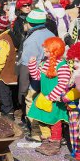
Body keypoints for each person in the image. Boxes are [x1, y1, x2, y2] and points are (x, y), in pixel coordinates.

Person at [27, 37, 70, 156]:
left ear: (53, 50)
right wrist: (32, 64)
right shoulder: (45, 63)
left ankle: (55, 144)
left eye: (46, 48)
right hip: (43, 97)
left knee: (55, 122)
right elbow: (36, 77)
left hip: (54, 100)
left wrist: (51, 97)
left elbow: (62, 84)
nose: (44, 50)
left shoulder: (62, 66)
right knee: (42, 120)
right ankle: (46, 140)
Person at [19, 9, 56, 142]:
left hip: (37, 75)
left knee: (32, 101)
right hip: (52, 74)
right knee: (48, 102)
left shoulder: (32, 39)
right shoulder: (51, 33)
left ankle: (36, 133)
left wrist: (23, 86)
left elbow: (26, 64)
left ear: (29, 23)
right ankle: (51, 132)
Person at [0, 16, 17, 120]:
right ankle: (12, 111)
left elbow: (0, 57)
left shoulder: (2, 40)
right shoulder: (11, 35)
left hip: (4, 73)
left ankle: (8, 115)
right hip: (13, 72)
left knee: (3, 94)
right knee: (11, 93)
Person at [62, 42, 80, 161]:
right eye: (74, 61)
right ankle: (75, 152)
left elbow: (78, 90)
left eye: (78, 62)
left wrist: (65, 97)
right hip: (72, 107)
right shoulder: (76, 74)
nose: (74, 64)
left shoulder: (78, 75)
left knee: (77, 131)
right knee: (73, 130)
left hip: (76, 108)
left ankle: (78, 154)